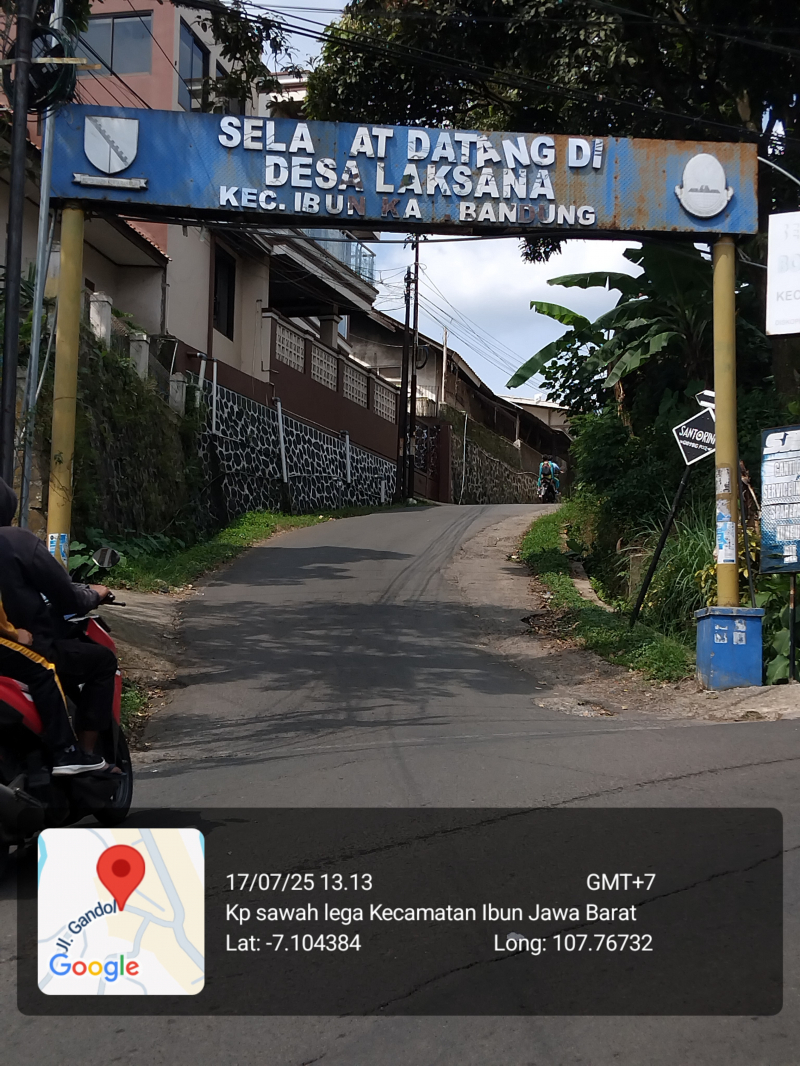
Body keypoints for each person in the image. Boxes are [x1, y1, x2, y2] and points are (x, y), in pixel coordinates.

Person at [0, 478, 116, 757]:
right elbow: (67, 597)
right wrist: (94, 594)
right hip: (20, 646)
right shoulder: (17, 541)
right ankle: (80, 754)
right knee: (100, 661)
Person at [0, 541, 106, 774]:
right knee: (44, 669)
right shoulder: (18, 542)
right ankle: (67, 752)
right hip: (13, 643)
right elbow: (65, 594)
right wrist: (13, 633)